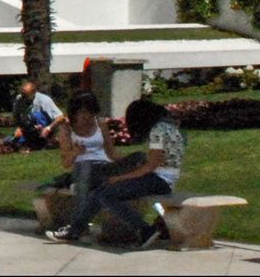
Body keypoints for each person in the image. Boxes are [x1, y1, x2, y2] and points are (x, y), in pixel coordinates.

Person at [47, 98, 186, 247]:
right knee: (99, 191)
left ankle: (145, 230)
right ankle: (75, 230)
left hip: (160, 180)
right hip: (162, 178)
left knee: (105, 194)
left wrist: (120, 178)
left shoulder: (157, 131)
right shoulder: (169, 128)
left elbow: (150, 166)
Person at [53, 90, 128, 207]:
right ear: (74, 113)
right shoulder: (66, 129)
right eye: (82, 113)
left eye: (91, 113)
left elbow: (112, 153)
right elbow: (65, 163)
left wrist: (128, 160)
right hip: (82, 167)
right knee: (86, 169)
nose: (87, 117)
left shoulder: (100, 124)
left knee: (130, 165)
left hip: (103, 166)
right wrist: (75, 153)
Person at [2, 78, 63, 152]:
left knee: (37, 115)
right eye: (22, 95)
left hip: (44, 130)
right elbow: (16, 116)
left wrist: (48, 128)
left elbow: (60, 117)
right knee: (7, 141)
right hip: (29, 129)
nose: (23, 98)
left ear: (34, 93)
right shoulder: (19, 99)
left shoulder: (45, 100)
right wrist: (19, 128)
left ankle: (48, 141)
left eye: (26, 96)